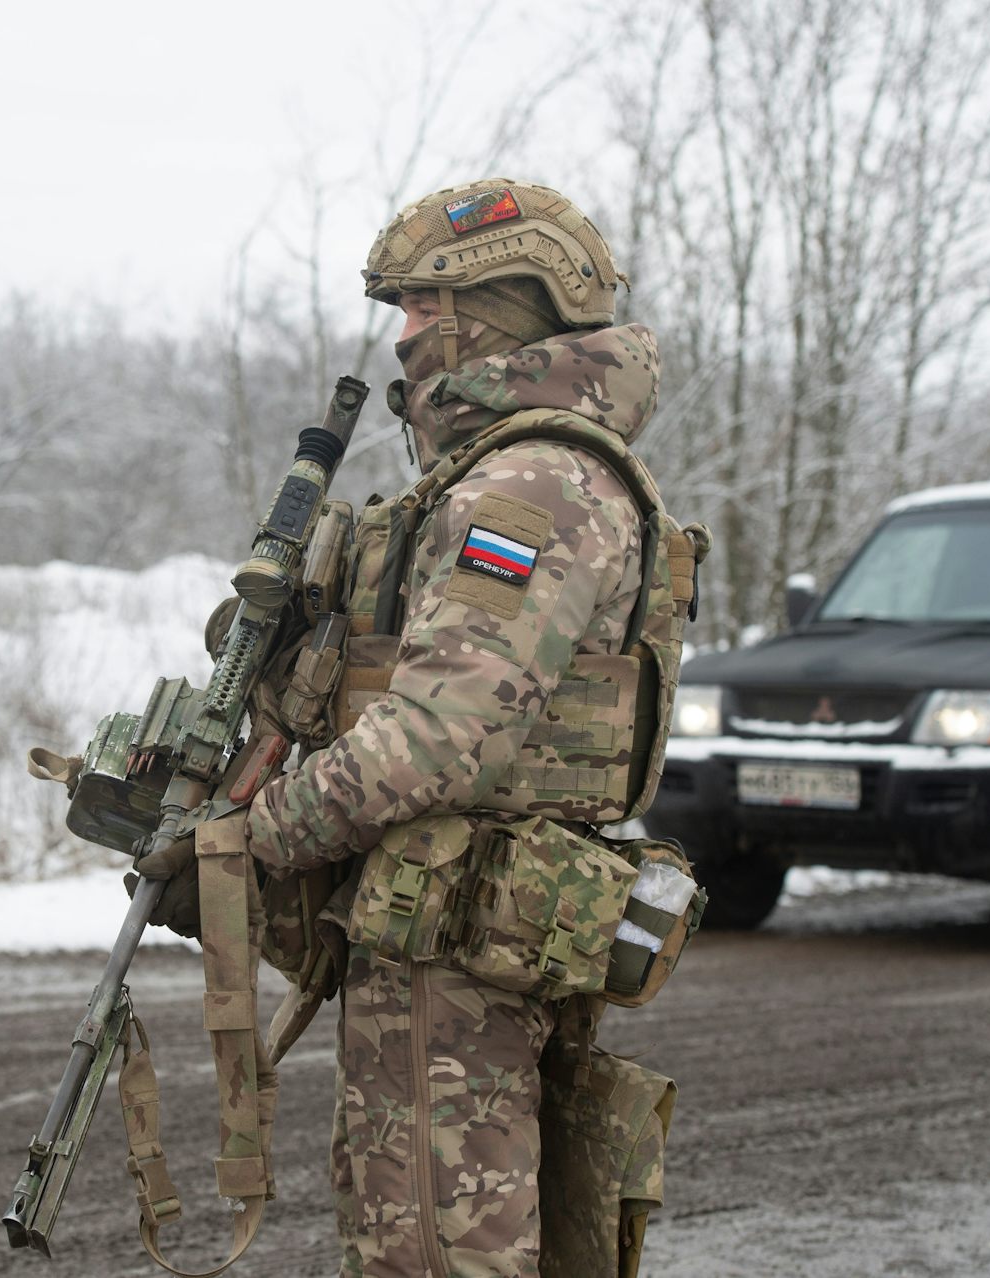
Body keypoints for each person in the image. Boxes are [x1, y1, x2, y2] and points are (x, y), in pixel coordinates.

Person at [139, 180, 700, 1276]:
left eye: (416, 311)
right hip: (441, 936)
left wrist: (247, 846)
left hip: (459, 953)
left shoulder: (528, 488)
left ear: (488, 312)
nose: (401, 341)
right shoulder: (497, 476)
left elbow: (438, 739)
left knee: (437, 1249)